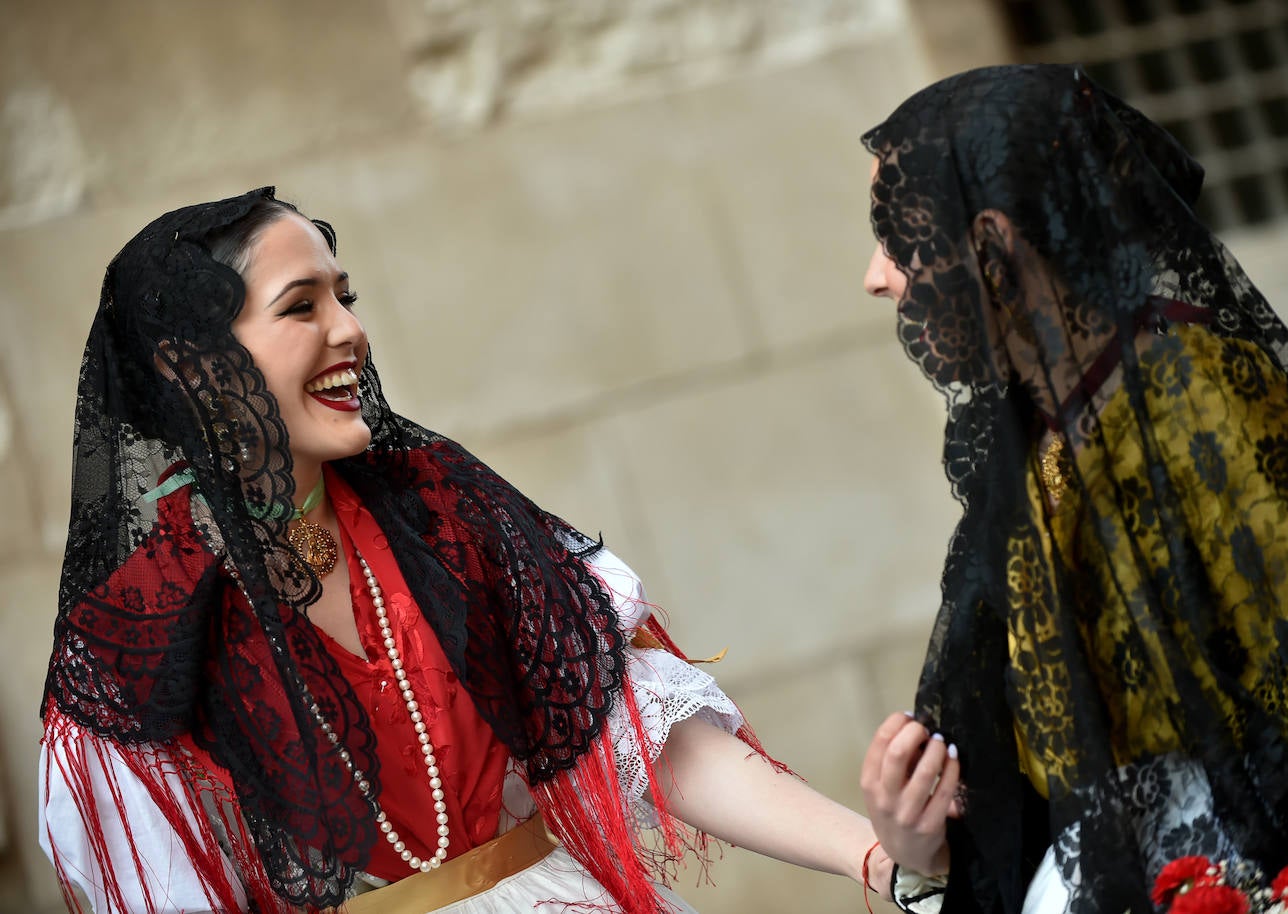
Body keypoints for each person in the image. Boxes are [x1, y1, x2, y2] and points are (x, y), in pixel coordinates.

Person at [39, 188, 900, 914]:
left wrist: (877, 856)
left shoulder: (444, 512)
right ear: (192, 367)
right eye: (301, 306)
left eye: (346, 297)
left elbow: (643, 734)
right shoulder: (131, 643)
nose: (349, 331)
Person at [854, 64, 1288, 914]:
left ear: (993, 241)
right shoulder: (1032, 440)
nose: (879, 276)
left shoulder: (1196, 396)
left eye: (899, 236)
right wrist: (920, 845)